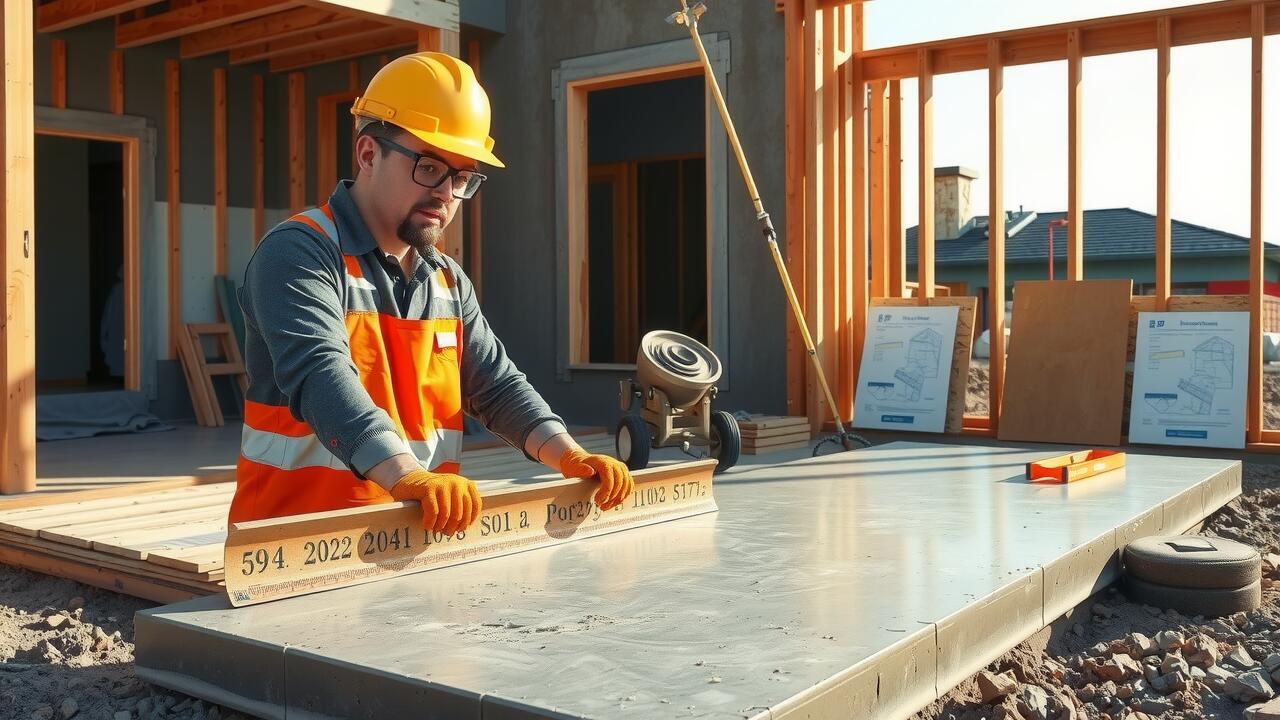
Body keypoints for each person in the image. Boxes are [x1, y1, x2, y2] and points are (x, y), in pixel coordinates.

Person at [228, 52, 633, 534]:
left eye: (461, 178)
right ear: (368, 154)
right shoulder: (298, 254)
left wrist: (569, 454)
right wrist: (408, 476)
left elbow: (496, 386)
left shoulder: (447, 280)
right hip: (294, 547)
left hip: (417, 540)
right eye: (429, 166)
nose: (445, 193)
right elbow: (320, 374)